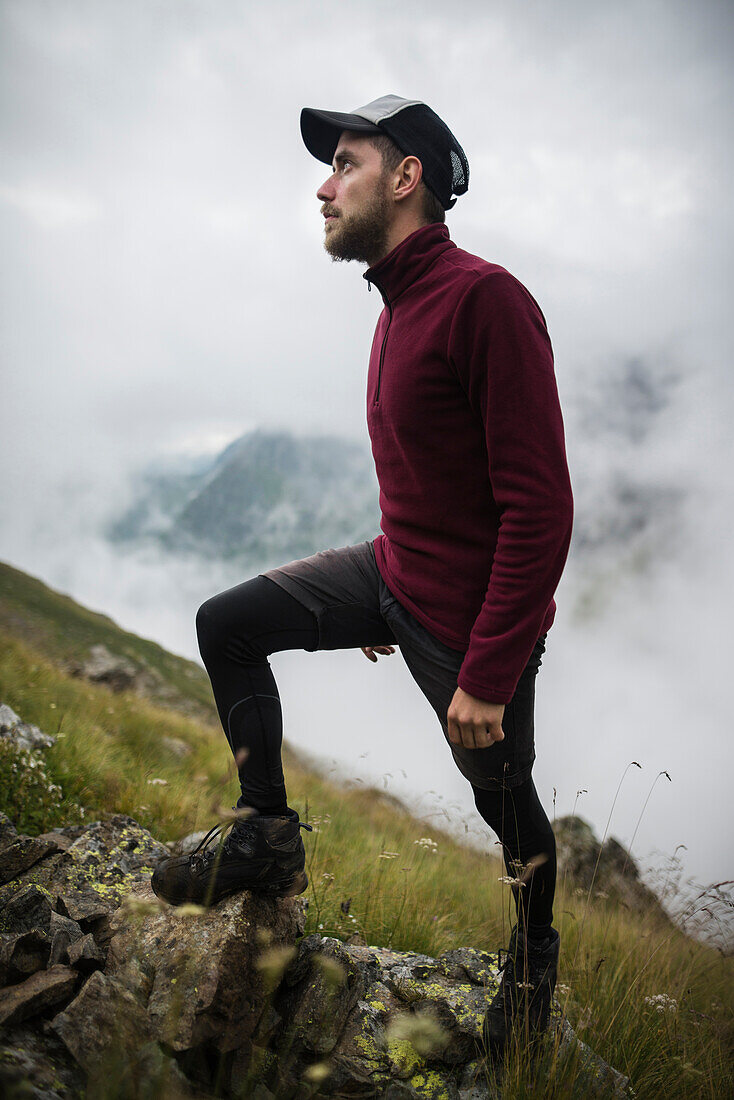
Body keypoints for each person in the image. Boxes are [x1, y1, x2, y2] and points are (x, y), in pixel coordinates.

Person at [152, 95, 574, 1052]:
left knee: (508, 807)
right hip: (391, 572)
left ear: (407, 176)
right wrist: (375, 590)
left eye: (345, 163)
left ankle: (535, 956)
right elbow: (427, 475)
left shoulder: (486, 300)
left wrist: (489, 675)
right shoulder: (393, 305)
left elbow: (541, 509)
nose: (323, 185)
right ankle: (266, 834)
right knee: (229, 623)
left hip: (468, 627)